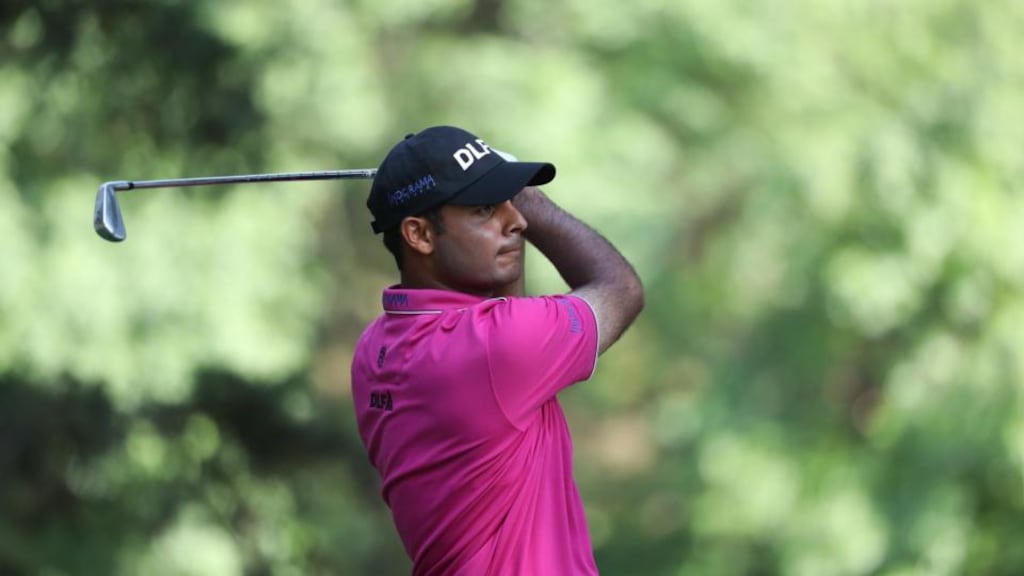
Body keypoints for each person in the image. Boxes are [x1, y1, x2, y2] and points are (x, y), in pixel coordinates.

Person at [350, 125, 644, 575]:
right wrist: (529, 196)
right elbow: (620, 289)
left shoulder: (374, 350)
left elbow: (507, 314)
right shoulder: (495, 350)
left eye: (510, 203)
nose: (519, 221)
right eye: (485, 209)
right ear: (419, 235)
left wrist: (499, 194)